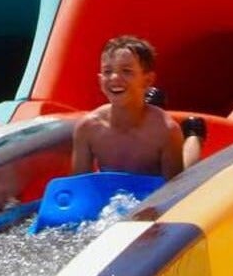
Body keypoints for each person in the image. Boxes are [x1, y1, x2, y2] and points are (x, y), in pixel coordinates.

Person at [72, 36, 184, 180]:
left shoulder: (166, 131)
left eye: (126, 71)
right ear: (100, 80)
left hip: (150, 192)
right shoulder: (88, 128)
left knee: (189, 171)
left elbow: (175, 189)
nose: (114, 77)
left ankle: (194, 135)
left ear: (148, 80)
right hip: (114, 194)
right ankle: (151, 101)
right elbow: (79, 187)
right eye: (107, 71)